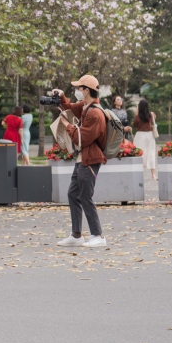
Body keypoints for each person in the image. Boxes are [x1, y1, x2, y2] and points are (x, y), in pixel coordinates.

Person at [55, 74, 107, 248]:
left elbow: (80, 138)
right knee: (73, 194)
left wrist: (66, 124)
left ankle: (98, 235)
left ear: (86, 91)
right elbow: (69, 107)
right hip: (82, 158)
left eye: (79, 88)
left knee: (85, 195)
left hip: (90, 159)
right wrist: (61, 96)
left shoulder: (95, 114)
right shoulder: (85, 107)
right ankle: (76, 235)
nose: (77, 91)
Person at [132, 98, 159, 181]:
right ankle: (153, 174)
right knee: (151, 153)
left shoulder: (137, 116)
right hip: (150, 135)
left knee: (139, 153)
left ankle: (139, 173)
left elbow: (134, 125)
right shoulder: (150, 115)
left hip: (140, 135)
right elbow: (152, 122)